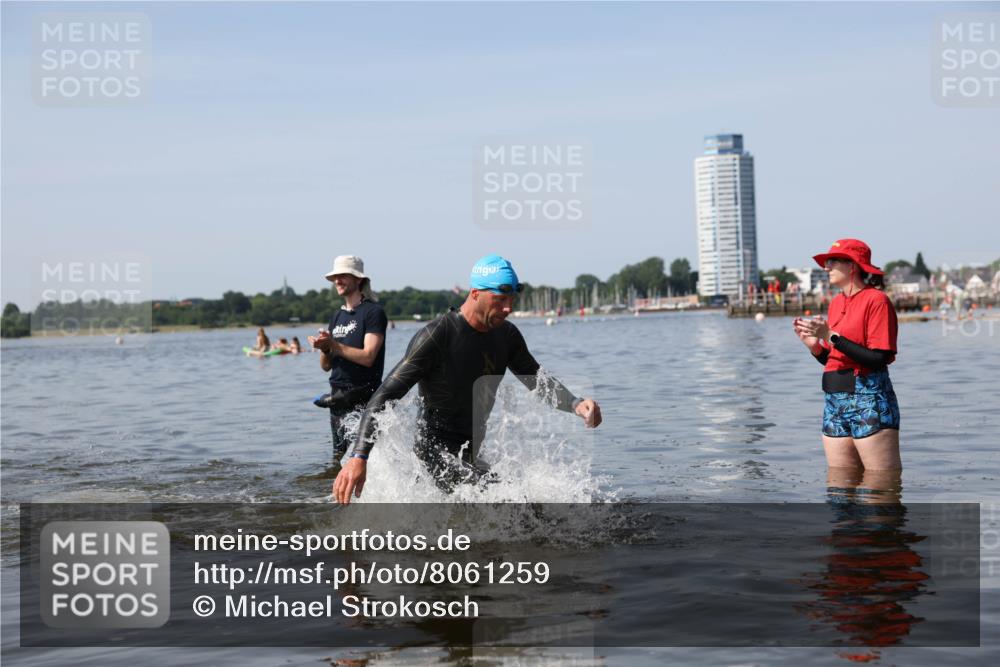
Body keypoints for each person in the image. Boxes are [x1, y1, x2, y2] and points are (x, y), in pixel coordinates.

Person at [333, 254, 602, 504]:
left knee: (525, 506)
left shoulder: (506, 336)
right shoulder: (438, 335)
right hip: (433, 453)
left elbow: (537, 381)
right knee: (508, 505)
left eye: (512, 299)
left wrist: (576, 404)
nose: (508, 308)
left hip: (470, 453)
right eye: (500, 299)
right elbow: (384, 395)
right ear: (475, 294)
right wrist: (359, 457)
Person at [793, 239, 900, 471]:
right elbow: (835, 359)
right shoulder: (835, 303)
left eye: (832, 261)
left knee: (881, 487)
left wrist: (830, 336)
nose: (826, 267)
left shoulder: (876, 300)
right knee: (839, 489)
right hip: (834, 399)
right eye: (826, 262)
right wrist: (815, 346)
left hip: (868, 398)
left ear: (852, 266)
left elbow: (878, 358)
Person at [308, 256, 387, 465]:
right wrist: (325, 347)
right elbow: (326, 366)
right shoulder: (337, 316)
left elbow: (369, 357)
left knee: (363, 461)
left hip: (363, 402)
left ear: (358, 279)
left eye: (343, 276)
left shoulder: (373, 313)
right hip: (337, 402)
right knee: (338, 461)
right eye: (335, 277)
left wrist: (334, 345)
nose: (337, 281)